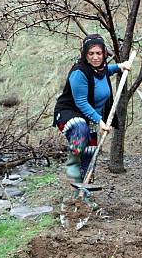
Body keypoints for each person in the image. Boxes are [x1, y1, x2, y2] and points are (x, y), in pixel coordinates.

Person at [53, 34, 131, 210]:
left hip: (89, 116)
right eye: (91, 54)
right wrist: (100, 121)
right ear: (84, 55)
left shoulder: (101, 68)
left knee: (90, 154)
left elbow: (105, 71)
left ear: (104, 53)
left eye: (98, 53)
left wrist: (119, 67)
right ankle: (73, 166)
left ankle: (83, 196)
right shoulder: (79, 72)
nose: (95, 57)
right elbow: (80, 102)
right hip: (69, 113)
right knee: (81, 130)